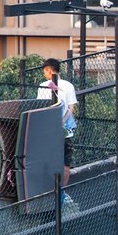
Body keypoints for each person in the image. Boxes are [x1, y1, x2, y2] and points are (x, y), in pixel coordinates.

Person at [39, 57, 80, 207]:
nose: (45, 74)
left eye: (45, 71)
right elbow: (71, 108)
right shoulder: (69, 86)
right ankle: (62, 192)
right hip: (66, 131)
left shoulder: (43, 86)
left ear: (49, 70)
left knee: (48, 161)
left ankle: (50, 190)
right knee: (65, 163)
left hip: (48, 130)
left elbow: (41, 107)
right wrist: (63, 122)